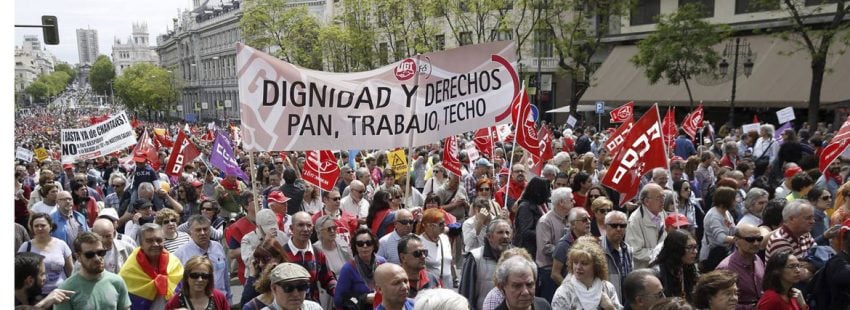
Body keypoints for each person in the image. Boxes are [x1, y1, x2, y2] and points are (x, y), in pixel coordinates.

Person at [56, 232, 131, 309]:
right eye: (89, 255)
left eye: (100, 252)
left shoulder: (117, 282)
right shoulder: (66, 289)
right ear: (78, 257)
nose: (97, 258)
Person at [119, 223, 184, 310]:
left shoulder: (174, 263)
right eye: (149, 241)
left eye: (159, 240)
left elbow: (183, 293)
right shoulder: (129, 269)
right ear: (141, 244)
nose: (155, 244)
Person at [281, 212, 338, 303]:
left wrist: (339, 292)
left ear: (313, 229)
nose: (305, 229)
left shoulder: (317, 253)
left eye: (309, 225)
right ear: (291, 228)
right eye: (300, 225)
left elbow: (327, 279)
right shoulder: (281, 254)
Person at [174, 215, 232, 300]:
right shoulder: (180, 254)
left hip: (220, 300)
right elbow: (177, 285)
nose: (202, 233)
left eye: (205, 229)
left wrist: (229, 298)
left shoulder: (218, 247)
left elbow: (225, 276)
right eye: (198, 230)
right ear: (190, 231)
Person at [552, 241, 623, 310]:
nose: (578, 267)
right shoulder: (564, 292)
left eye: (584, 263)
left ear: (596, 266)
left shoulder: (607, 288)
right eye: (575, 262)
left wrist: (610, 308)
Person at [460, 219, 513, 310]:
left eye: (507, 233)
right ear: (489, 236)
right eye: (500, 232)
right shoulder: (475, 258)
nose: (505, 236)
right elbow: (466, 294)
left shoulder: (517, 257)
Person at [19, 212, 73, 296]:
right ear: (32, 229)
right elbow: (19, 272)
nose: (39, 228)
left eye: (43, 225)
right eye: (36, 226)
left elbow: (71, 271)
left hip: (61, 292)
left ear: (50, 227)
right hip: (35, 295)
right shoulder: (26, 246)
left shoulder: (61, 244)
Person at [534, 187, 573, 300]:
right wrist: (566, 252)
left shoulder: (569, 219)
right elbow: (545, 248)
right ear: (561, 202)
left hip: (565, 270)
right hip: (549, 273)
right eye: (571, 200)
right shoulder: (545, 221)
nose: (574, 202)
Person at [716, 223, 765, 310]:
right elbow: (720, 303)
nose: (756, 243)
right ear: (736, 240)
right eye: (750, 239)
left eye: (759, 239)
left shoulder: (757, 259)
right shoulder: (726, 268)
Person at [334, 228, 386, 310]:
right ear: (355, 246)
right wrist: (364, 298)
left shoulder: (382, 263)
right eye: (360, 243)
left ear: (374, 245)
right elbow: (339, 299)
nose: (365, 246)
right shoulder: (348, 268)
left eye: (368, 243)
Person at [650, 229, 700, 302]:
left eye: (695, 247)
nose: (695, 252)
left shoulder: (687, 267)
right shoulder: (658, 273)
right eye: (689, 247)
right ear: (676, 249)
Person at [626, 184, 668, 269]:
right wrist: (661, 254)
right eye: (659, 198)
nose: (663, 200)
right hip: (644, 271)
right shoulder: (635, 220)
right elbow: (635, 251)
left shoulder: (662, 213)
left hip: (662, 268)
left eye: (663, 197)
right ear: (646, 201)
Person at [165, 256, 230, 309]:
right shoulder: (174, 302)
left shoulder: (219, 298)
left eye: (204, 276)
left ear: (209, 278)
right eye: (194, 275)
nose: (200, 279)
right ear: (187, 277)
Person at [551, 207, 592, 287]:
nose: (589, 222)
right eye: (584, 220)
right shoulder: (563, 245)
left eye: (589, 219)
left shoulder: (591, 241)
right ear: (573, 224)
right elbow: (555, 274)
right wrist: (569, 289)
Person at [513, 177, 551, 261]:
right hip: (526, 252)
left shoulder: (541, 205)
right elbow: (525, 232)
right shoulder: (525, 207)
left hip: (537, 250)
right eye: (546, 191)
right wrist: (545, 234)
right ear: (538, 191)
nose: (549, 194)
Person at [700, 186, 737, 272]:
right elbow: (721, 238)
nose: (736, 202)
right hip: (713, 256)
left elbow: (733, 229)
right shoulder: (714, 216)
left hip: (725, 253)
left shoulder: (726, 212)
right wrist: (741, 239)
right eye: (733, 199)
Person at [601, 210, 634, 303]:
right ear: (605, 226)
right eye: (614, 225)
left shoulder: (628, 250)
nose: (619, 229)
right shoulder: (597, 249)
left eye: (623, 225)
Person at [416, 208, 454, 287]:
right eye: (441, 224)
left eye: (444, 223)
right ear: (430, 226)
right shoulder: (419, 242)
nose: (444, 226)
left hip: (448, 286)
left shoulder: (444, 238)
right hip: (431, 286)